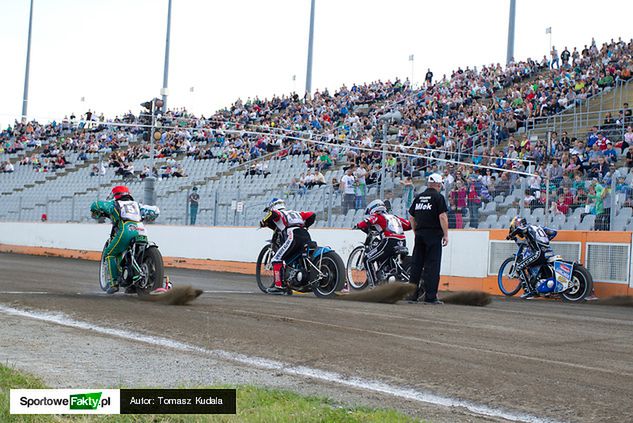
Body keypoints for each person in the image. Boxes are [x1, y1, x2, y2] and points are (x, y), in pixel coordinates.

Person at [90, 186, 160, 294]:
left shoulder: (114, 204)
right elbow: (155, 211)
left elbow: (96, 205)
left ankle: (113, 283)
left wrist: (95, 211)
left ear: (115, 195)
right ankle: (132, 284)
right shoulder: (137, 205)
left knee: (110, 253)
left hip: (126, 229)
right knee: (134, 253)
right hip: (141, 229)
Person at [259, 198, 316, 295]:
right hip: (305, 234)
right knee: (300, 257)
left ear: (272, 206)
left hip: (293, 235)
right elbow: (312, 214)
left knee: (276, 259)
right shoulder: (295, 212)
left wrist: (263, 221)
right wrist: (306, 225)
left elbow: (273, 214)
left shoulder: (279, 213)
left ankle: (279, 287)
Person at [408, 174, 449, 304]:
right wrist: (446, 234)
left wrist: (415, 231)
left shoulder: (419, 197)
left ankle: (412, 296)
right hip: (433, 235)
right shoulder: (438, 197)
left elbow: (411, 217)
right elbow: (442, 217)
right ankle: (430, 297)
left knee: (416, 265)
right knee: (432, 265)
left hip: (420, 234)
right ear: (438, 184)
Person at [354, 199, 412, 287]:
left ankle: (373, 286)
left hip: (389, 241)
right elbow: (408, 225)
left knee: (367, 259)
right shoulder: (395, 217)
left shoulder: (378, 216)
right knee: (388, 258)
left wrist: (358, 225)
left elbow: (368, 221)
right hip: (402, 241)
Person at [506, 216, 557, 299]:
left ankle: (529, 291)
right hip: (549, 252)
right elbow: (554, 232)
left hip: (539, 253)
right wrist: (544, 241)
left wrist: (510, 235)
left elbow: (519, 230)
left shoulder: (526, 227)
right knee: (539, 268)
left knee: (519, 267)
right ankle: (546, 291)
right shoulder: (537, 227)